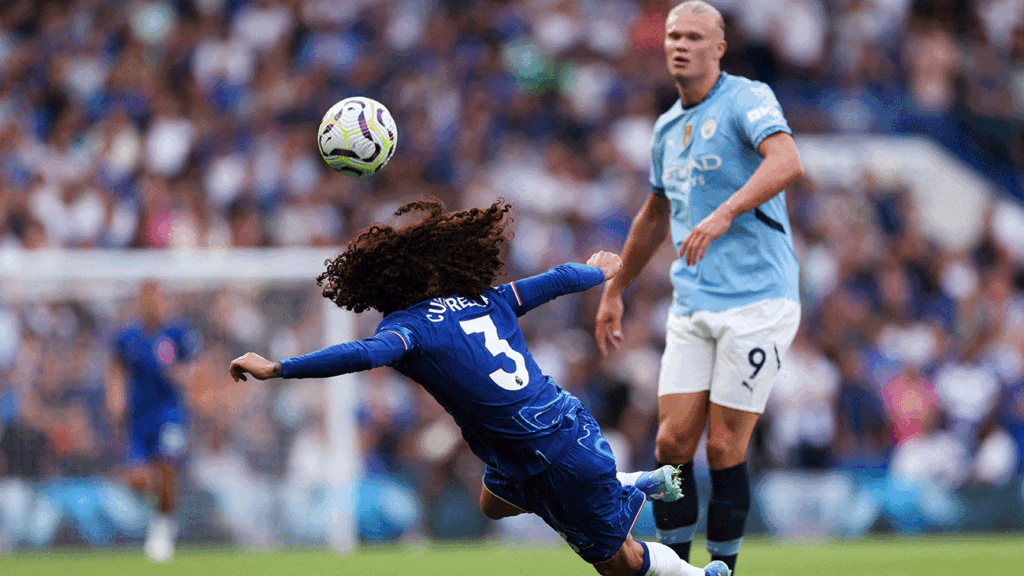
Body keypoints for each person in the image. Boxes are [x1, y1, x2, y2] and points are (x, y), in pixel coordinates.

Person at [229, 198, 730, 576]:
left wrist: (280, 368)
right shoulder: (485, 298)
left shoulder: (407, 329)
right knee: (492, 503)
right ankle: (625, 483)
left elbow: (360, 355)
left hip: (549, 450)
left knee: (620, 563)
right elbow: (552, 280)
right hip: (548, 434)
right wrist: (595, 271)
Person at [594, 2, 804, 573]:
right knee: (670, 445)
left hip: (759, 300)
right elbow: (654, 215)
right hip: (693, 303)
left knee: (722, 447)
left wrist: (725, 212)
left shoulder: (747, 97)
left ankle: (726, 569)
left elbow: (787, 160)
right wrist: (616, 289)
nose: (680, 45)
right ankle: (680, 570)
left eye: (694, 36)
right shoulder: (666, 127)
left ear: (720, 47)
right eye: (672, 35)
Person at [107, 281, 201, 561]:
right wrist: (114, 398)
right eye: (147, 299)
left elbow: (197, 368)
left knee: (168, 467)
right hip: (138, 418)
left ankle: (163, 527)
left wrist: (180, 375)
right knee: (136, 479)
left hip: (169, 414)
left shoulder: (178, 333)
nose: (153, 304)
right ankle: (159, 507)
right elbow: (115, 368)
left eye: (158, 299)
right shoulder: (127, 337)